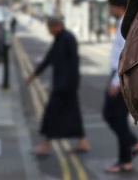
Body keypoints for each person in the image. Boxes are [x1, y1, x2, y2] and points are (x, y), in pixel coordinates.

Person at [26, 16, 90, 155]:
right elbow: (49, 58)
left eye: (49, 28)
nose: (48, 31)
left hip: (66, 85)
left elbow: (74, 62)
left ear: (57, 26)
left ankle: (45, 144)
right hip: (63, 83)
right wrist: (33, 75)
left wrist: (70, 84)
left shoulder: (68, 39)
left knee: (51, 113)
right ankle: (82, 141)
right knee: (72, 114)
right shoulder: (59, 39)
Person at [102, 0, 138, 173]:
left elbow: (125, 56)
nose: (110, 10)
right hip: (118, 76)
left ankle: (125, 160)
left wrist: (116, 82)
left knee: (116, 118)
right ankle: (133, 143)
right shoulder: (124, 22)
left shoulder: (126, 24)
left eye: (111, 6)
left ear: (117, 6)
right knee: (111, 115)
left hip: (121, 78)